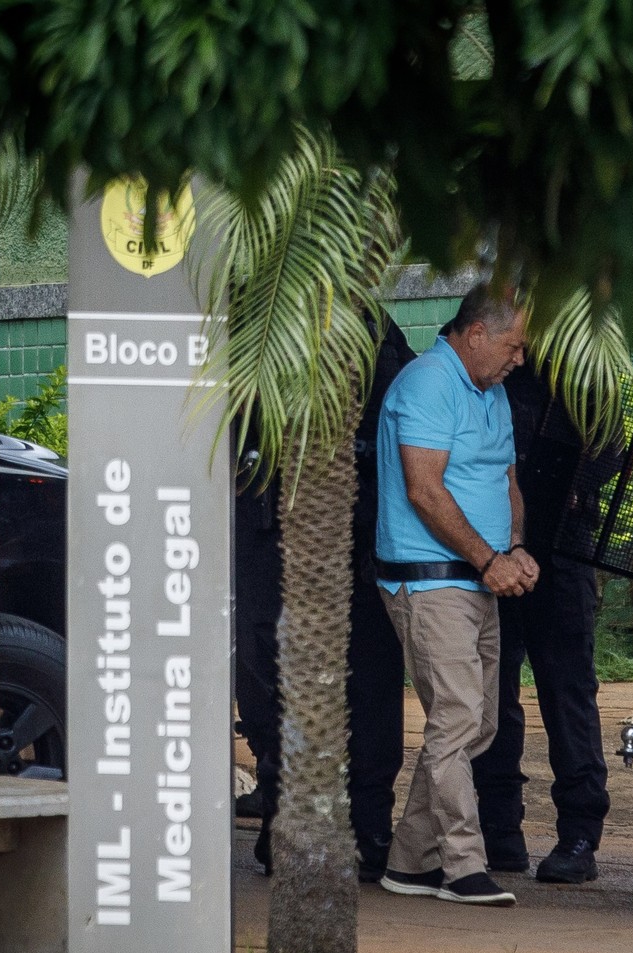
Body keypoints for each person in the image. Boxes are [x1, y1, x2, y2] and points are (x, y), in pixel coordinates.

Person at [233, 314, 416, 883]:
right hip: (276, 541)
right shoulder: (263, 329)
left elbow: (398, 431)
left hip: (356, 545)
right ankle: (286, 824)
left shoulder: (375, 337)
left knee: (370, 689)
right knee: (275, 685)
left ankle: (366, 827)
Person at [374, 284, 535, 907]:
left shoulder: (491, 393)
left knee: (478, 723)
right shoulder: (427, 384)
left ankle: (409, 863)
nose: (519, 361)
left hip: (478, 575)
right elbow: (423, 489)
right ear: (476, 335)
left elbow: (506, 480)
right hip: (429, 579)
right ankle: (462, 866)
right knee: (459, 718)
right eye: (513, 347)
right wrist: (488, 558)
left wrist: (514, 546)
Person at [472, 360, 611, 884]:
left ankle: (578, 832)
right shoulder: (489, 371)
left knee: (567, 689)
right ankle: (500, 828)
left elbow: (612, 444)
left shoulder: (582, 365)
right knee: (492, 689)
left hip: (561, 549)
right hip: (494, 549)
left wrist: (573, 486)